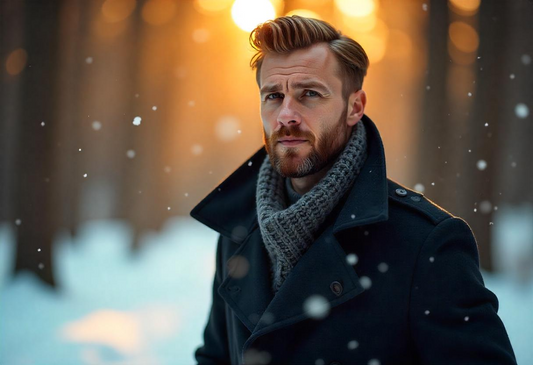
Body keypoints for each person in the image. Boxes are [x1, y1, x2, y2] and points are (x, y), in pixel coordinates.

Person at [191, 15, 516, 365]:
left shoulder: (425, 243)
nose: (286, 114)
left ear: (355, 107)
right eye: (273, 95)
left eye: (309, 94)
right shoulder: (239, 231)